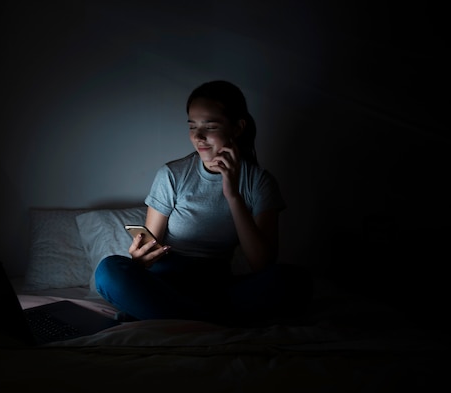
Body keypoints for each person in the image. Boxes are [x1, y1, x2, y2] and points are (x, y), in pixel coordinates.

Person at [95, 80, 312, 326]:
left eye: (209, 126)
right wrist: (139, 259)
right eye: (192, 126)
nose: (198, 136)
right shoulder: (172, 175)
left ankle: (175, 318)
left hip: (216, 286)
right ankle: (205, 321)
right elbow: (151, 250)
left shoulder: (259, 182)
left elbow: (262, 263)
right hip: (168, 282)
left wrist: (233, 194)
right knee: (109, 270)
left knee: (294, 280)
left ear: (237, 127)